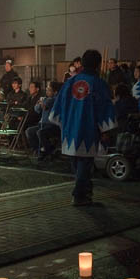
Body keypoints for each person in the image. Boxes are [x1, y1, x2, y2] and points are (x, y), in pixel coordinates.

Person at [49, 49, 117, 206]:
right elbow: (104, 107)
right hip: (88, 129)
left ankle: (85, 192)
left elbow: (59, 105)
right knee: (85, 164)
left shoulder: (70, 82)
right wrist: (106, 130)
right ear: (98, 65)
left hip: (70, 129)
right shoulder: (98, 84)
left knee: (78, 163)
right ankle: (79, 195)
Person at [25, 81, 60, 160]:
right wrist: (40, 104)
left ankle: (48, 151)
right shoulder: (45, 99)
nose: (47, 91)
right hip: (42, 124)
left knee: (40, 133)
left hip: (52, 125)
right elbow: (37, 109)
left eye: (49, 90)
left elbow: (46, 104)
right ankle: (38, 150)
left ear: (55, 92)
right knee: (29, 131)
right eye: (47, 89)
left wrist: (42, 103)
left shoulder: (56, 99)